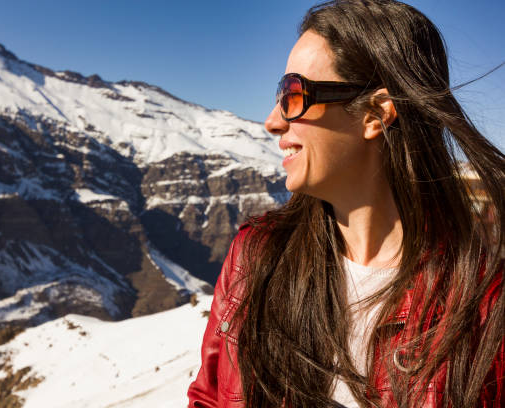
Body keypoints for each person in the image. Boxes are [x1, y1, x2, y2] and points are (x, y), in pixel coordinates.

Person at [187, 1, 504, 407]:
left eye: (293, 94)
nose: (272, 121)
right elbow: (210, 398)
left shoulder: (484, 310)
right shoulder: (256, 257)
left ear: (375, 113)